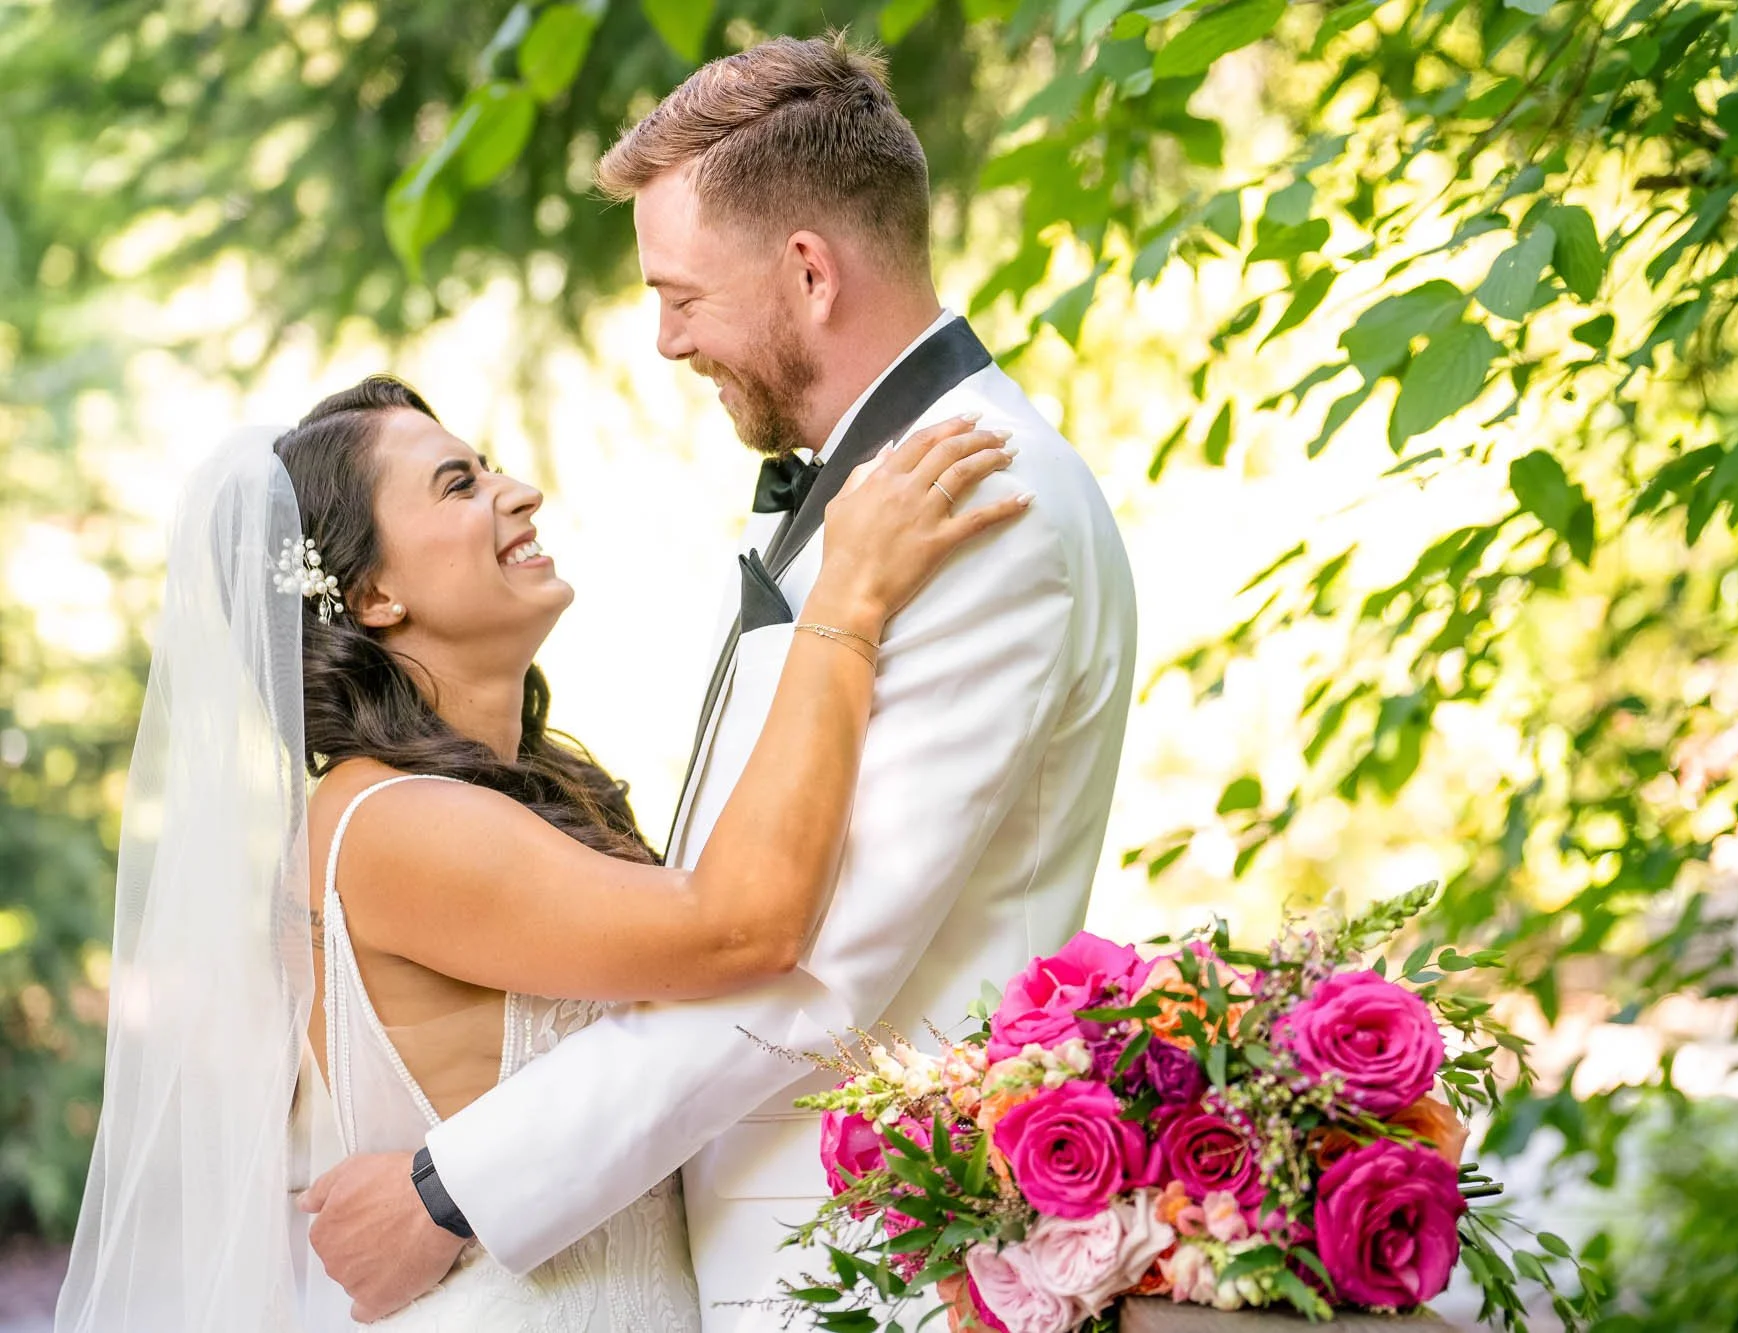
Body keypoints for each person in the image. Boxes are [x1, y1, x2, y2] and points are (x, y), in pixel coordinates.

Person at [303, 32, 1140, 1331]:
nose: (665, 339)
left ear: (807, 271)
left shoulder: (983, 508)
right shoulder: (890, 494)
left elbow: (810, 964)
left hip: (856, 1270)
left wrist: (452, 1187)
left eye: (682, 293)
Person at [53, 379, 1026, 1331]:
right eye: (457, 485)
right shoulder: (392, 823)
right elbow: (740, 927)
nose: (516, 491)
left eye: (487, 468)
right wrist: (846, 600)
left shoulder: (477, 796)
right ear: (373, 592)